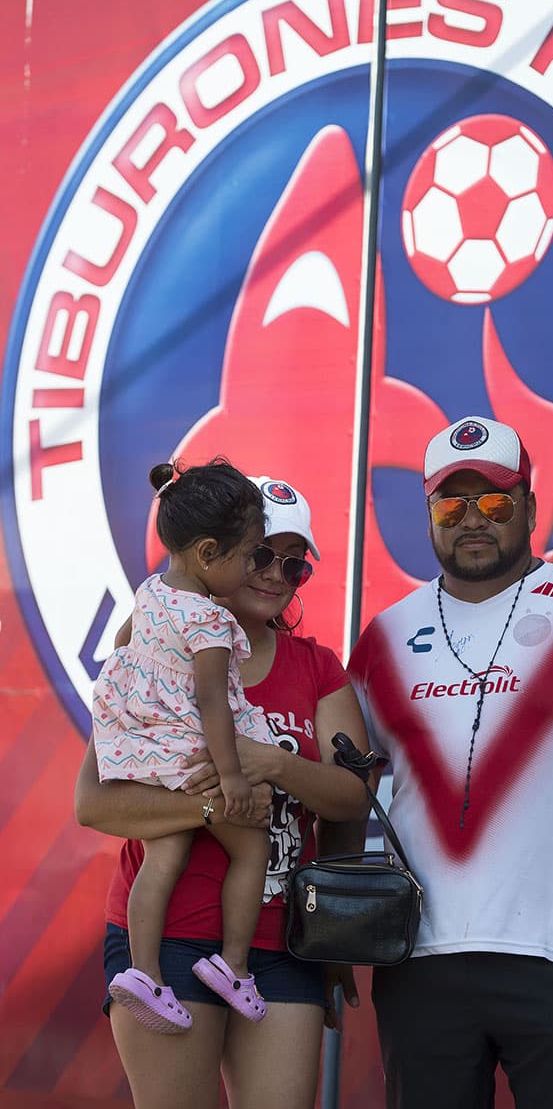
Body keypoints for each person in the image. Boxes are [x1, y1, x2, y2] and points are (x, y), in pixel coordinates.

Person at [348, 415, 553, 1109]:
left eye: (496, 502)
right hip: (420, 961)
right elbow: (348, 786)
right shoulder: (383, 636)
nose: (473, 519)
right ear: (431, 514)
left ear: (530, 507)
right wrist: (334, 917)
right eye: (452, 503)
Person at [76, 475, 370, 1109]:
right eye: (262, 553)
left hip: (285, 945)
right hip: (168, 941)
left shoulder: (316, 666)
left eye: (295, 564)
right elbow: (94, 802)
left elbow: (352, 801)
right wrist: (214, 802)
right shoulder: (149, 641)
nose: (274, 574)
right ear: (221, 552)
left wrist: (266, 763)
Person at [93, 458, 274, 1031]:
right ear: (205, 553)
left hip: (143, 748)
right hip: (190, 752)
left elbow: (122, 651)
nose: (253, 569)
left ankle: (143, 972)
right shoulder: (209, 620)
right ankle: (235, 964)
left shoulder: (150, 592)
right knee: (251, 849)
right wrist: (233, 779)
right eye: (249, 556)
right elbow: (214, 704)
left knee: (164, 854)